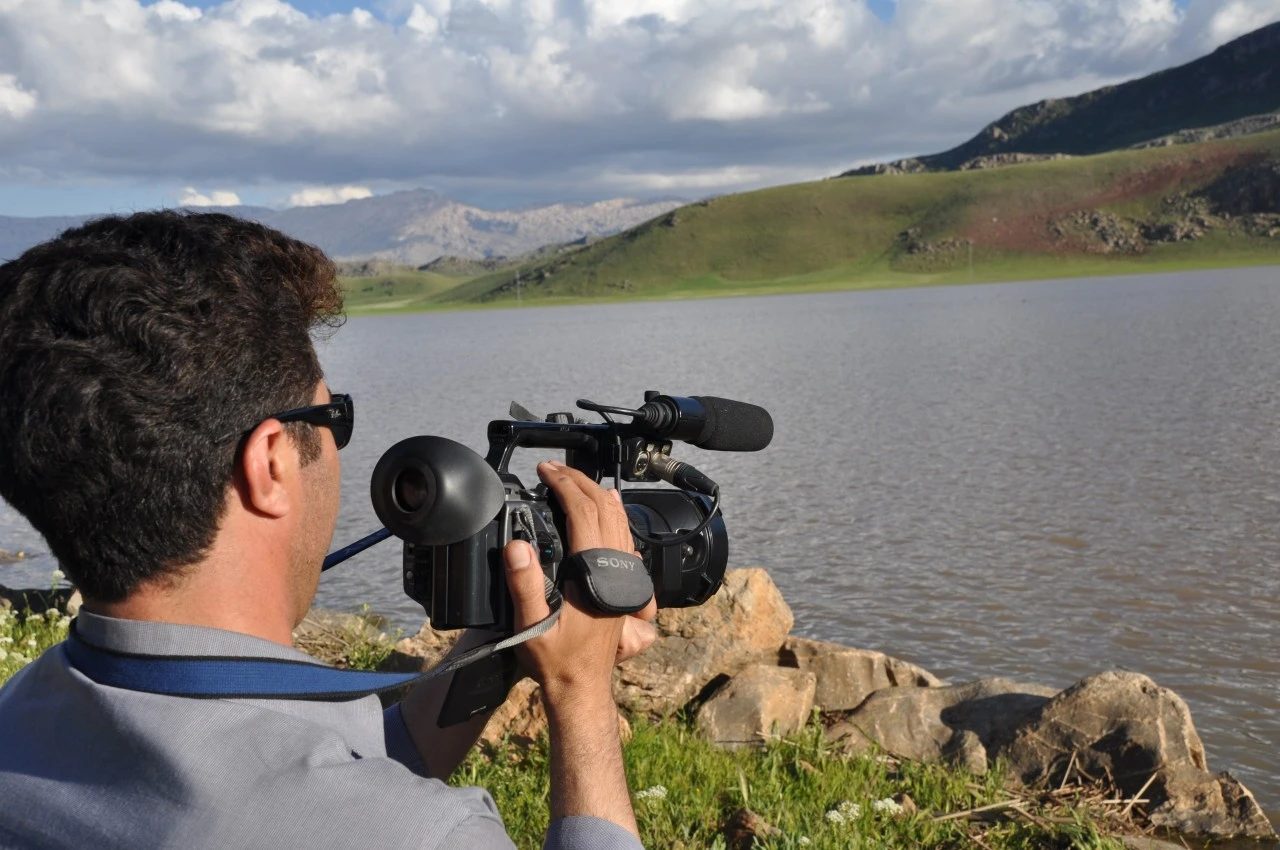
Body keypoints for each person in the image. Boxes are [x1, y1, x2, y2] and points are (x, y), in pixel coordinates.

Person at [0, 211, 657, 849]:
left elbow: (340, 771)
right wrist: (580, 691)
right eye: (331, 417)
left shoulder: (23, 714)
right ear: (271, 464)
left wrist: (505, 636)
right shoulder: (421, 837)